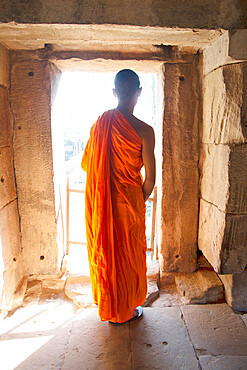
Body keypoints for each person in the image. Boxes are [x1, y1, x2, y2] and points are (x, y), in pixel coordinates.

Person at [81, 69, 155, 324]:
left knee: (107, 253)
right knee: (130, 257)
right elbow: (151, 179)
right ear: (139, 93)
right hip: (131, 203)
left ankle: (112, 307)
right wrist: (136, 201)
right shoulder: (145, 130)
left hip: (103, 203)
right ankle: (128, 307)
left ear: (114, 92)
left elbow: (89, 166)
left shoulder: (100, 124)